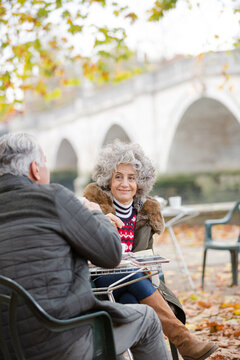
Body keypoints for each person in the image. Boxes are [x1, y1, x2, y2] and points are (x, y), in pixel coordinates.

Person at [0, 133, 170, 360]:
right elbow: (110, 254)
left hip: (8, 346)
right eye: (45, 162)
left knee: (121, 314)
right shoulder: (55, 198)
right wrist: (97, 214)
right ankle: (182, 339)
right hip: (64, 340)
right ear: (35, 169)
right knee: (147, 319)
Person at [84, 141, 218, 360]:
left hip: (133, 285)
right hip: (99, 281)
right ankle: (184, 340)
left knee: (133, 301)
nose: (124, 184)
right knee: (131, 274)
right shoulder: (93, 206)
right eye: (118, 176)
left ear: (141, 182)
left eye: (131, 178)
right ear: (108, 178)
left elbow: (145, 258)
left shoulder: (146, 211)